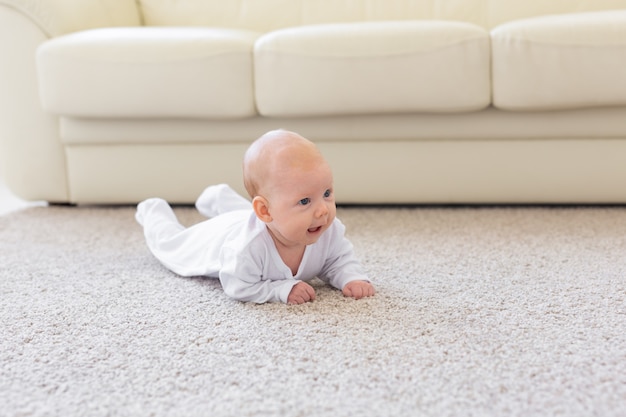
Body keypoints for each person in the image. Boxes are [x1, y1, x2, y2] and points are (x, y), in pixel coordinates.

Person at [136, 129, 375, 304]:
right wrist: (280, 290)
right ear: (264, 211)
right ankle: (153, 211)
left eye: (326, 193)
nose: (323, 210)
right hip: (221, 234)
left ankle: (218, 197)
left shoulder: (326, 228)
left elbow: (338, 260)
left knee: (258, 216)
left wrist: (351, 278)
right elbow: (238, 286)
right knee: (172, 245)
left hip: (261, 218)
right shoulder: (244, 249)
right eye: (304, 201)